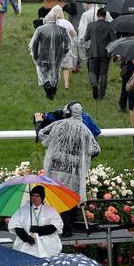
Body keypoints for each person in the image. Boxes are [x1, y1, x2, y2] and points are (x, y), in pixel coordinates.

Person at [38, 102, 100, 237]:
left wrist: (38, 122)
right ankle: (67, 228)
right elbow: (95, 150)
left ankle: (53, 226)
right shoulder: (85, 130)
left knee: (55, 194)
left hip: (56, 168)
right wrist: (81, 158)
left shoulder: (59, 125)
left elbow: (42, 135)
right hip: (74, 171)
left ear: (68, 112)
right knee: (71, 197)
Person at [8, 186, 63, 266]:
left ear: (42, 197)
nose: (35, 198)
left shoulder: (50, 210)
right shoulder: (22, 210)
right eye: (33, 195)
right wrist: (26, 238)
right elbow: (16, 226)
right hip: (26, 246)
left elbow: (55, 226)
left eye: (37, 196)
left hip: (44, 247)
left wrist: (38, 229)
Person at [29, 10, 70, 100]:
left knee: (42, 73)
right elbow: (67, 45)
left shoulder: (40, 29)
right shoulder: (62, 30)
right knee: (55, 72)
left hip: (43, 55)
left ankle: (48, 89)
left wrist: (35, 55)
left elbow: (34, 44)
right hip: (57, 57)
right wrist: (63, 54)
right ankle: (53, 90)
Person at [84, 8, 116, 100]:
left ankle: (94, 83)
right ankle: (101, 95)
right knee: (103, 74)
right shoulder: (110, 26)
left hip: (93, 52)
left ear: (97, 15)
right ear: (105, 16)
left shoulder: (91, 25)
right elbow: (114, 40)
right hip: (105, 53)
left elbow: (86, 38)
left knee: (92, 71)